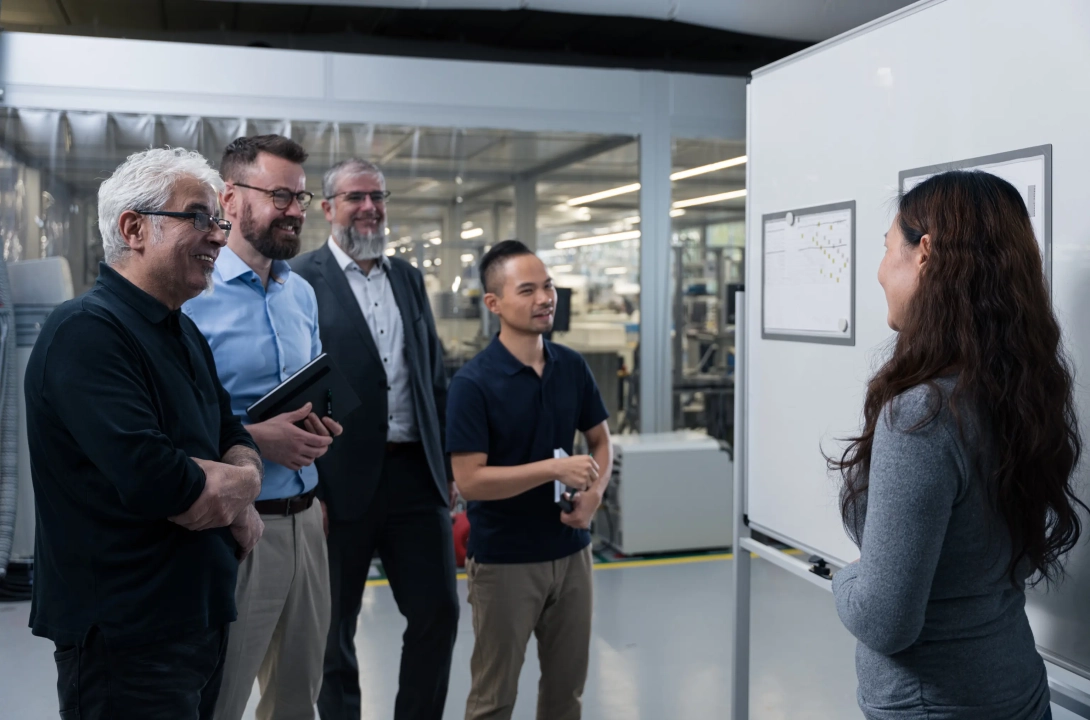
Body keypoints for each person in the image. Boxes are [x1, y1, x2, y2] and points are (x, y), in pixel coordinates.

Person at [829, 171, 1083, 720]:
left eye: (886, 248)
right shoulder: (1017, 389)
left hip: (935, 704)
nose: (878, 271)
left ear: (924, 254)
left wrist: (841, 574)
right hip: (1014, 684)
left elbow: (886, 621)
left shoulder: (920, 415)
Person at [25, 147, 265, 719]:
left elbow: (232, 433)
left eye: (221, 222)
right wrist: (234, 489)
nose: (218, 237)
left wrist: (236, 482)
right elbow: (163, 484)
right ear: (134, 228)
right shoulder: (87, 334)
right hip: (125, 637)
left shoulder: (181, 331)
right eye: (201, 218)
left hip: (196, 620)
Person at [290, 158, 459, 720]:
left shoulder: (408, 278)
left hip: (416, 475)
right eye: (356, 197)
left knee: (438, 613)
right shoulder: (301, 280)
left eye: (378, 197)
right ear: (329, 208)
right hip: (339, 483)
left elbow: (431, 376)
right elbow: (299, 381)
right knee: (333, 628)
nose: (369, 208)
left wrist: (447, 467)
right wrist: (313, 486)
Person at [183, 134, 342, 720]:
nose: (296, 210)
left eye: (301, 197)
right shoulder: (192, 295)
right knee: (220, 698)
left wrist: (320, 428)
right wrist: (255, 438)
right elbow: (175, 421)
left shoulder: (300, 293)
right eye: (281, 195)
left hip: (306, 522)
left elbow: (311, 386)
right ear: (230, 199)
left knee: (299, 697)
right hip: (235, 530)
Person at [447, 240, 613, 720]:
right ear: (494, 304)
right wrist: (555, 469)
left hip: (571, 555)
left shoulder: (571, 366)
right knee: (493, 700)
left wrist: (595, 496)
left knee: (566, 696)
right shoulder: (473, 384)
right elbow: (471, 481)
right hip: (505, 564)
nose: (545, 298)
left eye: (548, 286)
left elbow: (602, 440)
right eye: (528, 290)